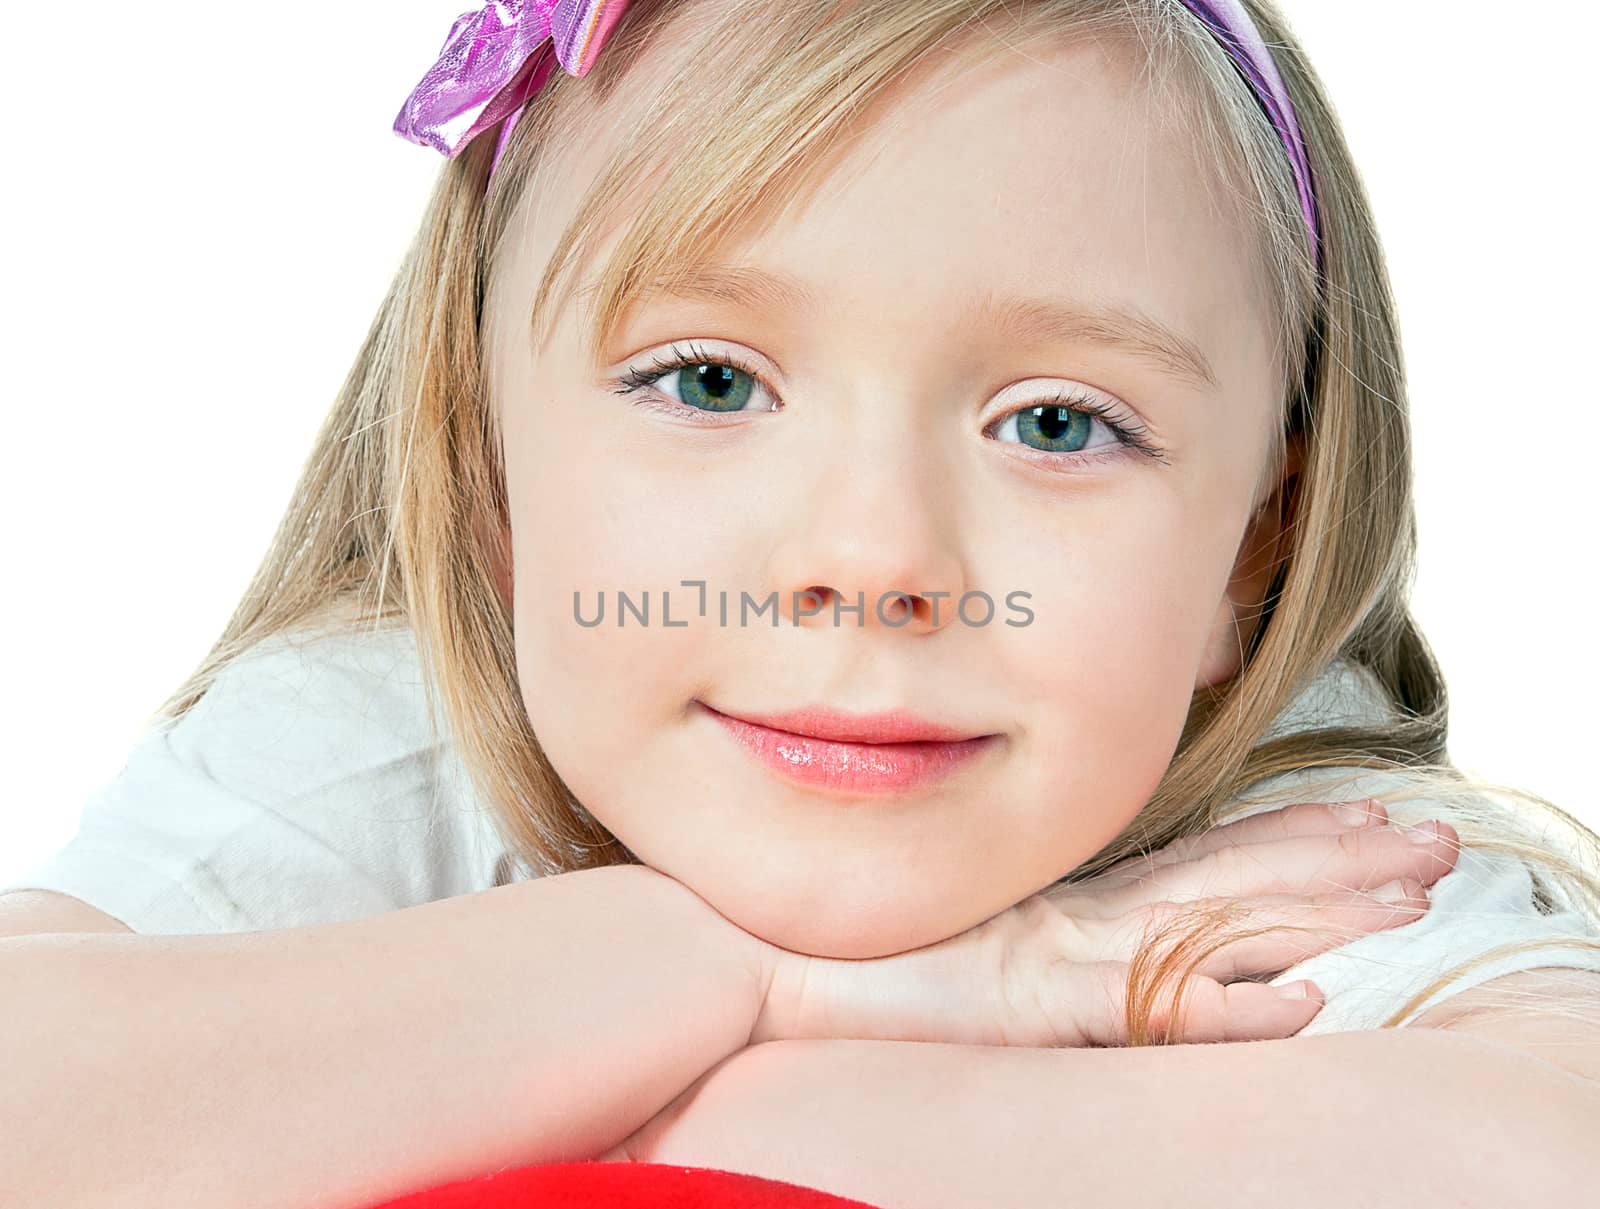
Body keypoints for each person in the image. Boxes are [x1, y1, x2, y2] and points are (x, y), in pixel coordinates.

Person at [3, 0, 1598, 1203]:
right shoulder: (390, 740)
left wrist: (725, 1093)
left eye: (1056, 422)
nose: (875, 557)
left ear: (1251, 560)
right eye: (708, 380)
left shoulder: (1294, 853)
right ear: (489, 479)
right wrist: (760, 975)